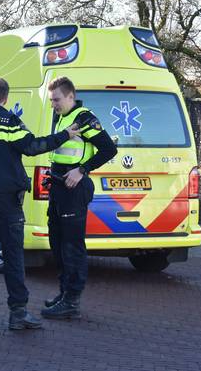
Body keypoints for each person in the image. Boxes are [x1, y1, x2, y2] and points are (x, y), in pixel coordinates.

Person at [0, 77, 79, 331]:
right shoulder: (9, 121)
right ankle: (17, 313)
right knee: (12, 257)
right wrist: (64, 135)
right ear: (6, 98)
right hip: (7, 200)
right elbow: (33, 147)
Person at [41, 76, 117, 320]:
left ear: (70, 96)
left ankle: (72, 301)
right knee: (58, 243)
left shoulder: (84, 118)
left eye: (57, 100)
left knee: (72, 247)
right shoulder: (63, 117)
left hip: (74, 189)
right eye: (52, 100)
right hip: (59, 187)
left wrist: (82, 169)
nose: (53, 104)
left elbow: (109, 149)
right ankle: (64, 294)